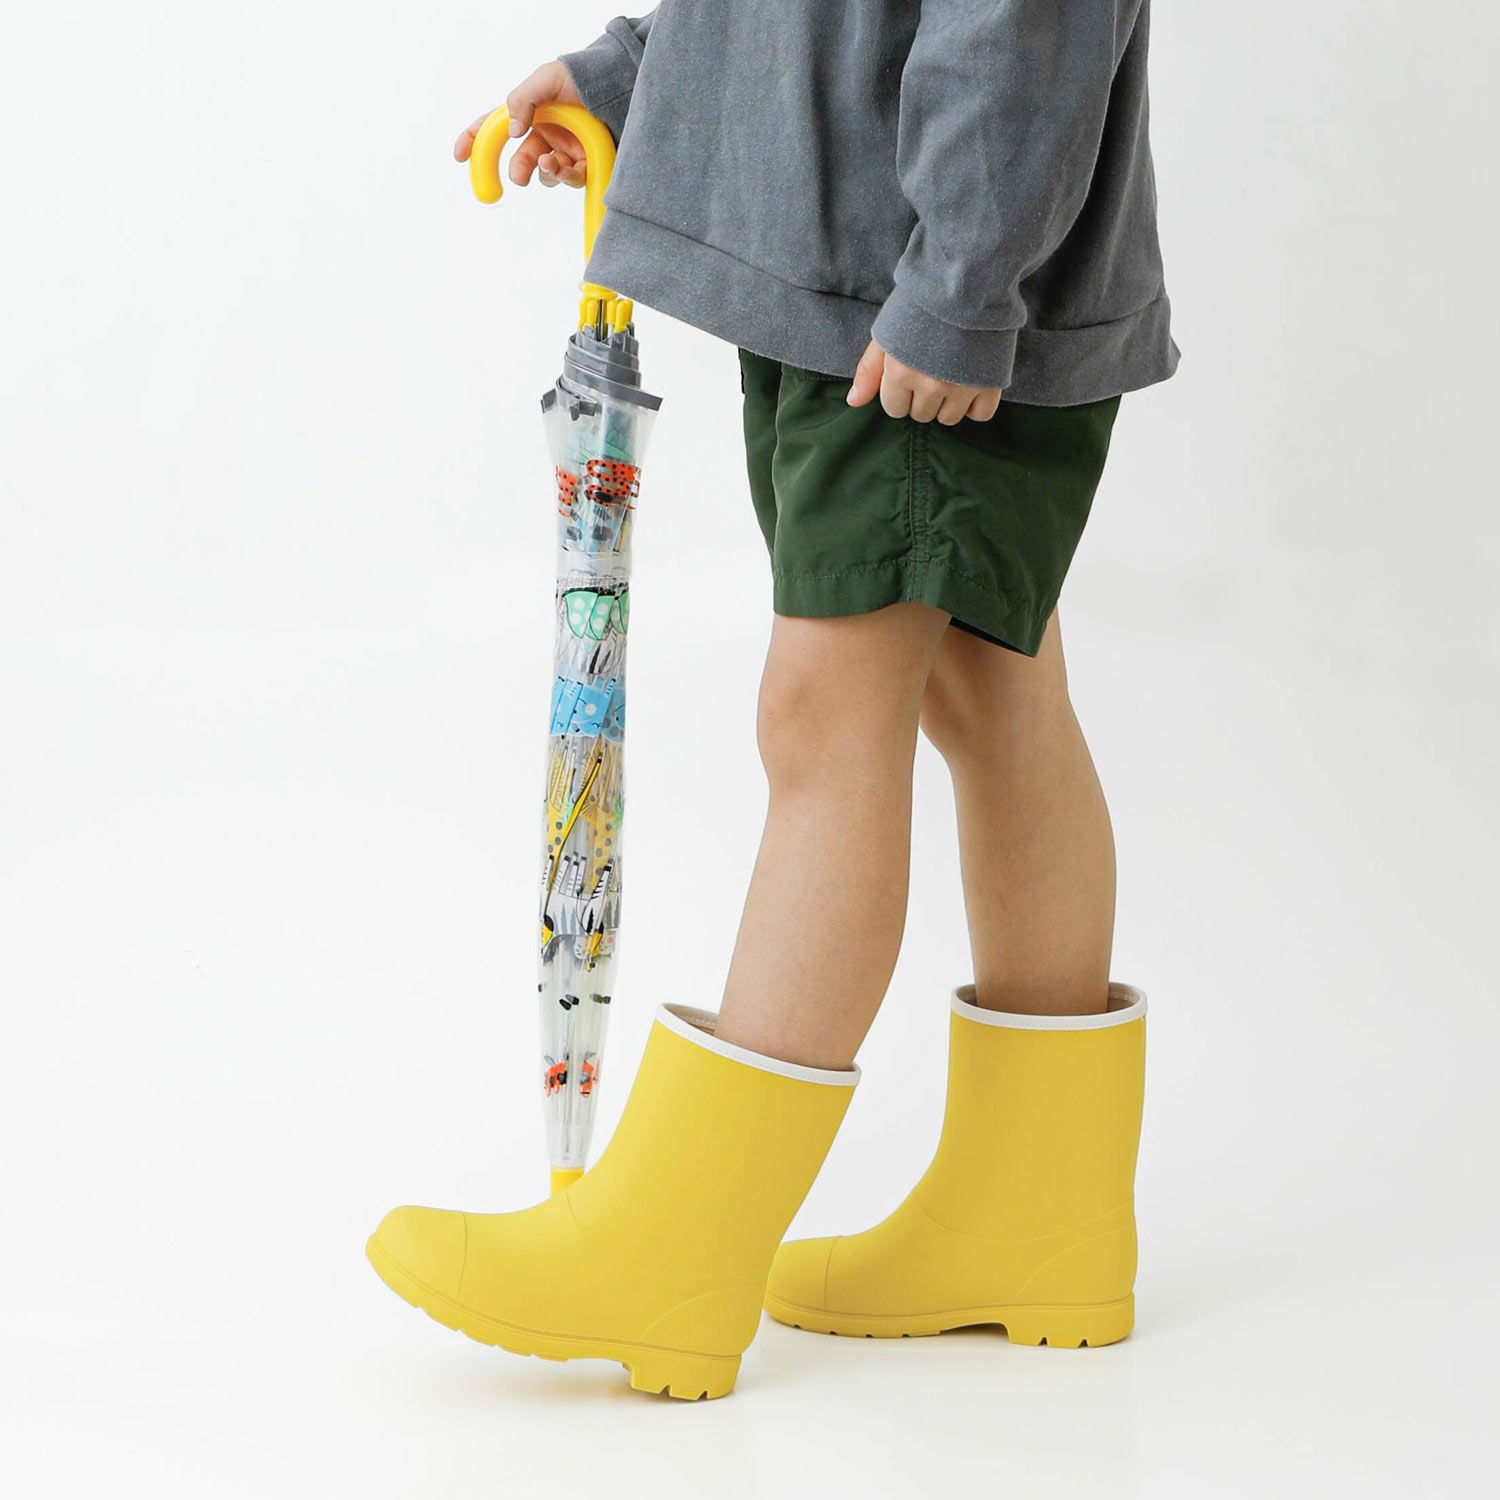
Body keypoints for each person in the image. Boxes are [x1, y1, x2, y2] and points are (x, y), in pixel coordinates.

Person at [367, 1, 1176, 1399]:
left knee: (826, 711)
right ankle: (1037, 1214)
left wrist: (963, 279)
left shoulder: (945, 277)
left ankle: (673, 1252)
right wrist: (641, 74)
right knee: (988, 682)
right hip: (870, 265)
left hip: (921, 287)